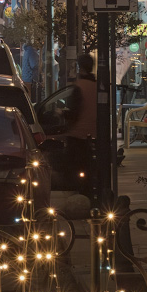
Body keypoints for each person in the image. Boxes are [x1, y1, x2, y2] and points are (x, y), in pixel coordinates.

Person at [60, 53, 100, 194]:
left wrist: (62, 113)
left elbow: (74, 113)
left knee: (72, 171)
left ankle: (79, 198)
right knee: (89, 172)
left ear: (80, 67)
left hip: (78, 135)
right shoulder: (96, 87)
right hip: (94, 134)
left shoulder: (79, 87)